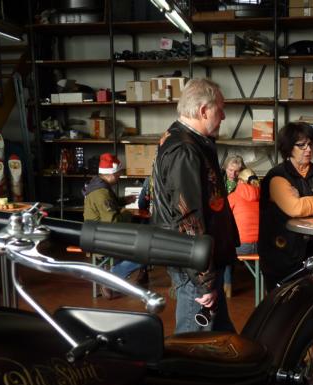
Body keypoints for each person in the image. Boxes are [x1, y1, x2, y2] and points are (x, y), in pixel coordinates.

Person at [150, 78, 239, 334]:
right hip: (195, 266)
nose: (223, 116)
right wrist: (204, 280)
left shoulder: (190, 141)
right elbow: (187, 219)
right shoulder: (184, 151)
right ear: (203, 110)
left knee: (221, 337)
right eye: (220, 109)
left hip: (202, 261)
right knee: (193, 343)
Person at [258, 122, 313, 291]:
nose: (308, 149)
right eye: (301, 145)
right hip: (282, 256)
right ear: (288, 147)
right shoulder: (277, 176)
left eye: (311, 144)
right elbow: (295, 209)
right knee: (284, 302)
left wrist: (303, 203)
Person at [83, 153, 145, 299]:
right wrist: (128, 213)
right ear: (111, 174)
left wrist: (124, 201)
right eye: (118, 174)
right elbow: (113, 221)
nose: (119, 177)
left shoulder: (99, 184)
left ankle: (116, 273)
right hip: (101, 238)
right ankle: (110, 280)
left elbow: (110, 205)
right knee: (143, 253)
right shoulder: (101, 193)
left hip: (98, 233)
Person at [223, 168, 261, 297]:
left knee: (224, 251)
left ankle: (227, 286)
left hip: (242, 247)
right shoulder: (262, 197)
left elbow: (223, 220)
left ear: (239, 181)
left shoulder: (233, 197)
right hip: (261, 246)